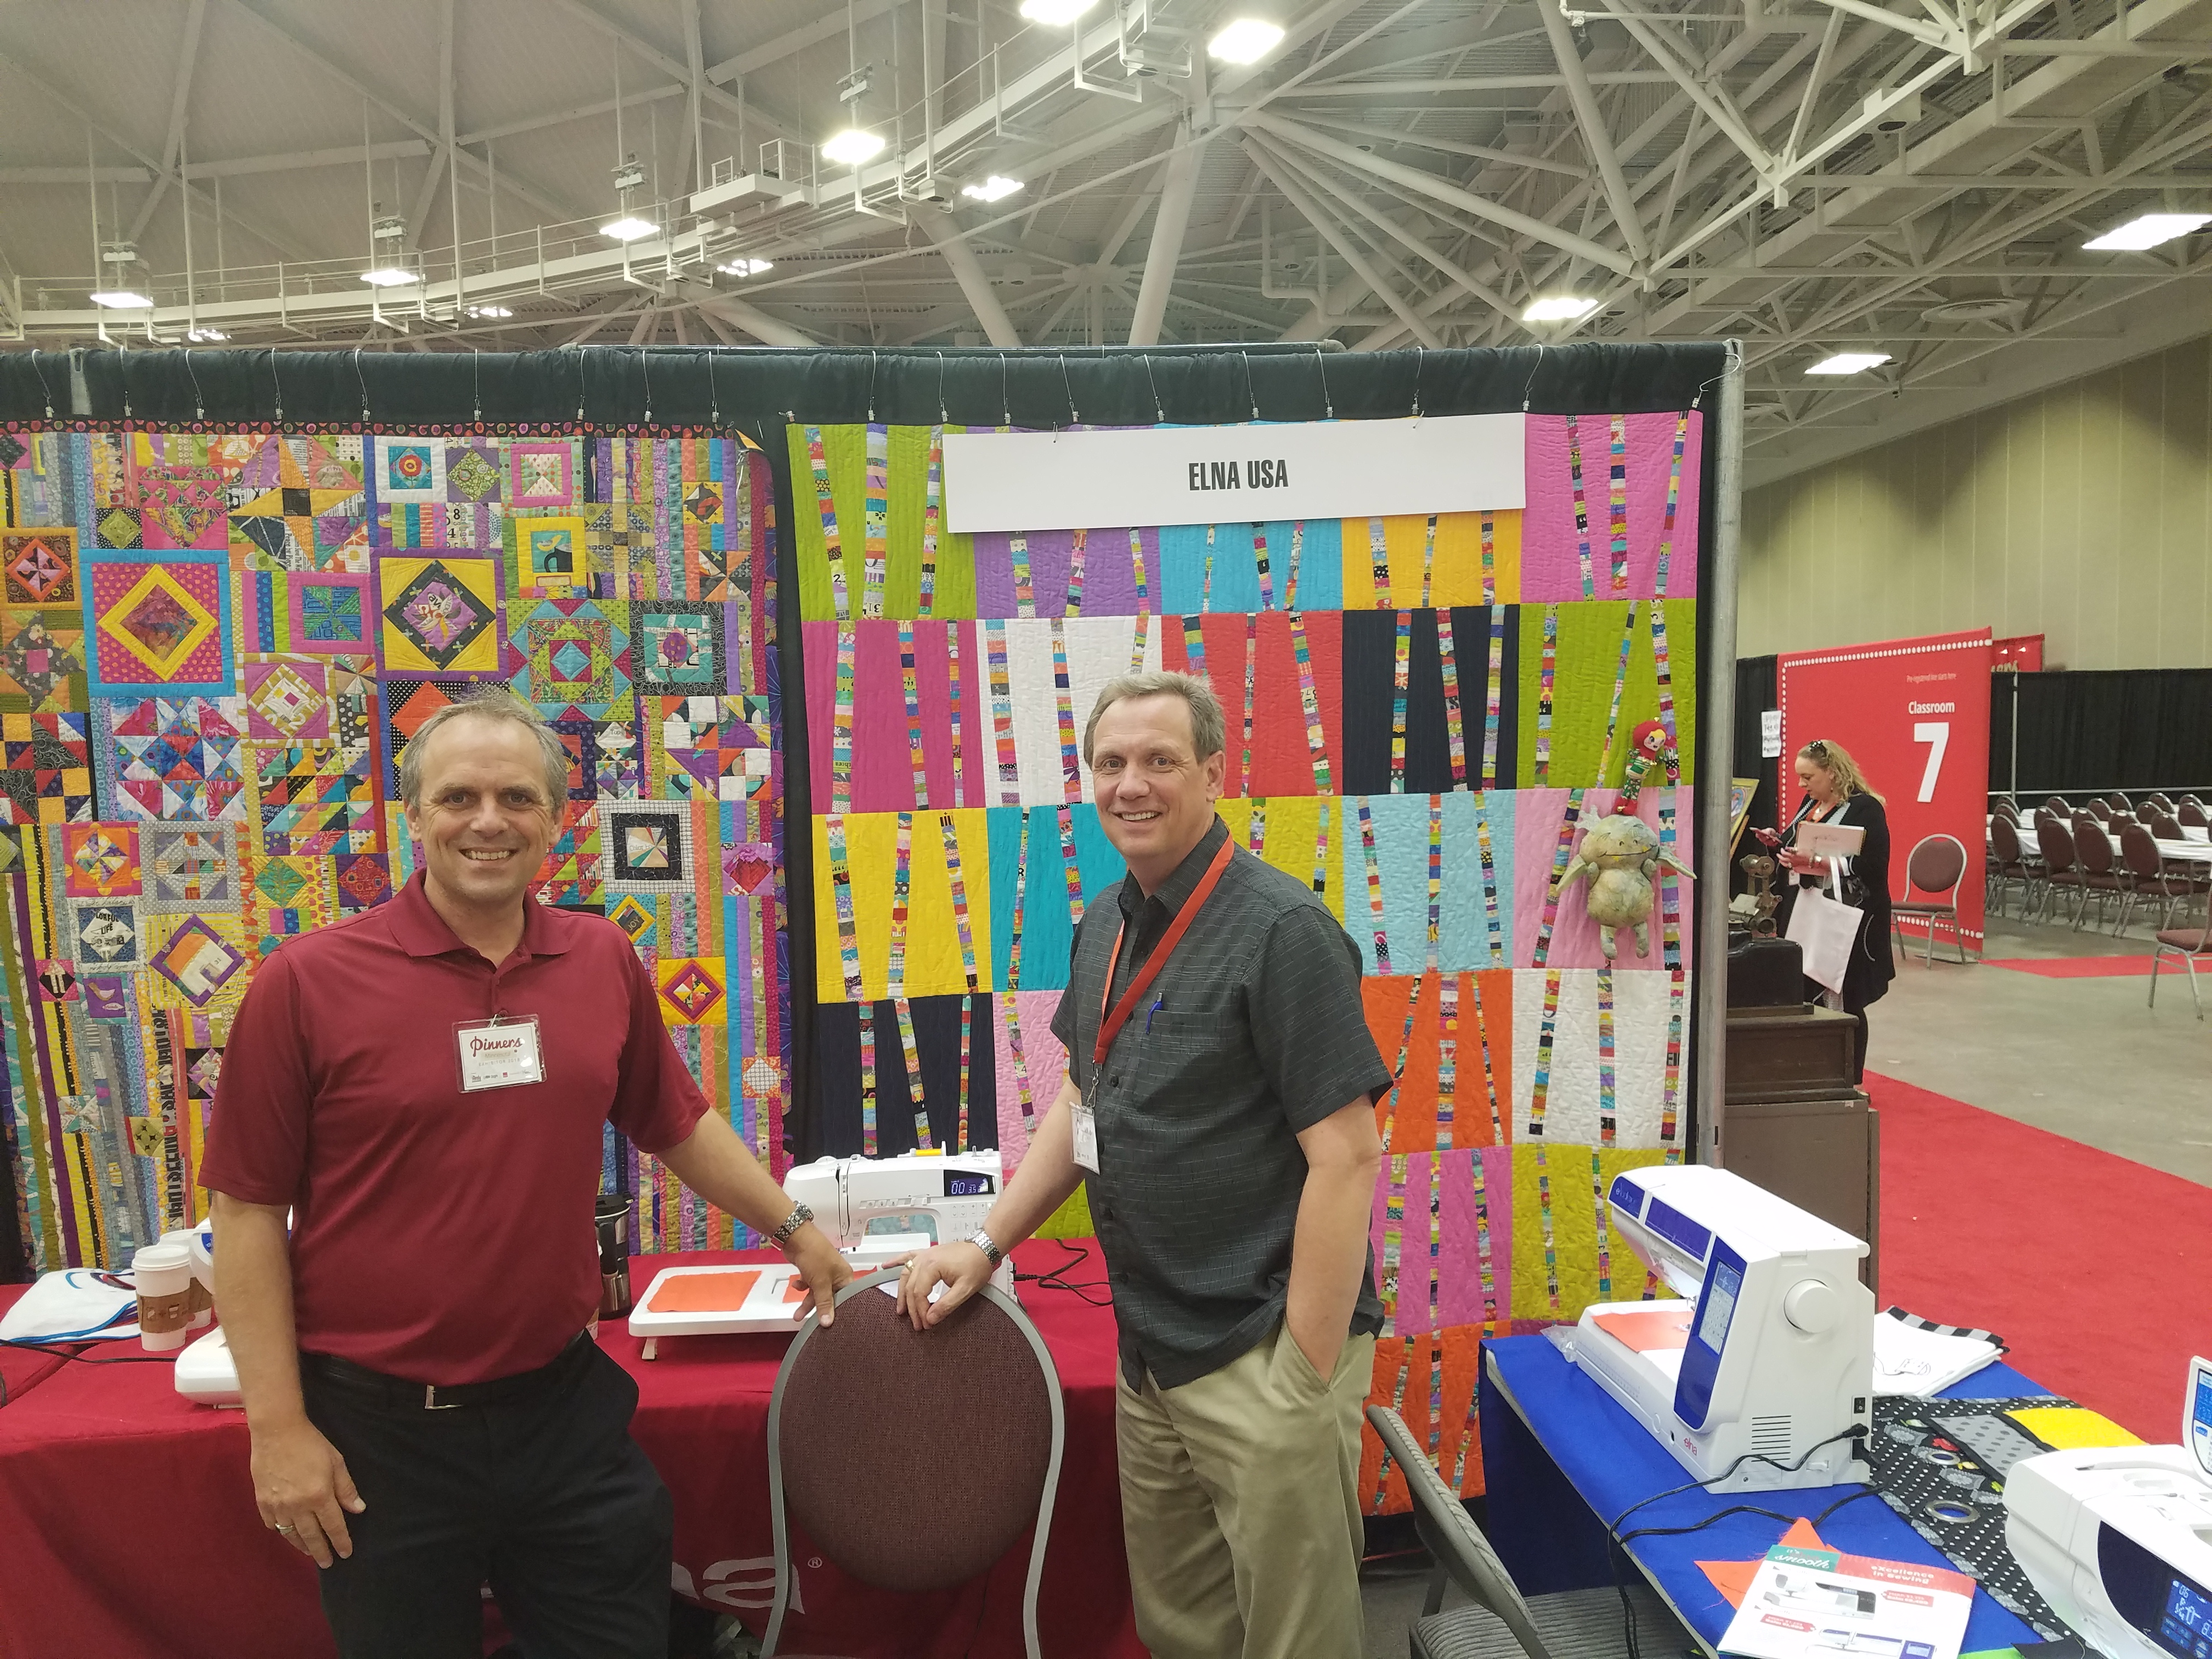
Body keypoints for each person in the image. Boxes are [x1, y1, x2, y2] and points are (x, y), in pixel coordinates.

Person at [200, 686, 851, 1659]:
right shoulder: (306, 980)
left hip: (561, 1411)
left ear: (554, 820)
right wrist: (277, 1427)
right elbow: (247, 1210)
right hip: (380, 1433)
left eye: (516, 797)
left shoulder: (600, 956)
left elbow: (676, 1120)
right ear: (413, 815)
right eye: (458, 797)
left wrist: (797, 1230)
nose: (488, 821)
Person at [895, 669, 1392, 1659]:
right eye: (1111, 762)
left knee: (1296, 1640)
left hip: (1258, 1345)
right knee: (1182, 1628)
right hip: (1152, 1349)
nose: (1132, 784)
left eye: (1161, 760)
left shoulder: (1282, 930)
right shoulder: (1106, 926)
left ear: (1213, 773)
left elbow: (1346, 1155)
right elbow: (1081, 1103)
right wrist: (986, 1245)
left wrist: (1303, 1373)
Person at [1759, 737, 1894, 1081]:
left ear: (1832, 772)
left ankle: (1850, 1078)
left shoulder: (1866, 809)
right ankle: (1815, 1070)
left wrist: (1817, 862)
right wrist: (1779, 844)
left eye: (1808, 777)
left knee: (1845, 994)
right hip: (1808, 913)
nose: (1802, 785)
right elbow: (1797, 845)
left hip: (1847, 919)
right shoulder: (1811, 804)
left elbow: (1874, 865)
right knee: (1806, 988)